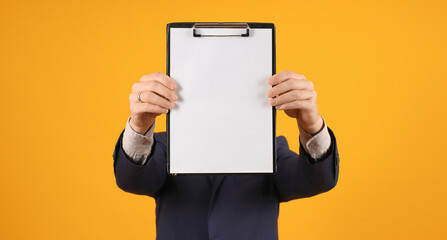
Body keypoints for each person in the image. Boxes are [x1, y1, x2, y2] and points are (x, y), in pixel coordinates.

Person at [112, 71, 340, 240]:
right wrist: (139, 126)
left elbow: (317, 179)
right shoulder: (165, 145)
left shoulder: (269, 149)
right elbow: (131, 178)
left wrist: (311, 125)